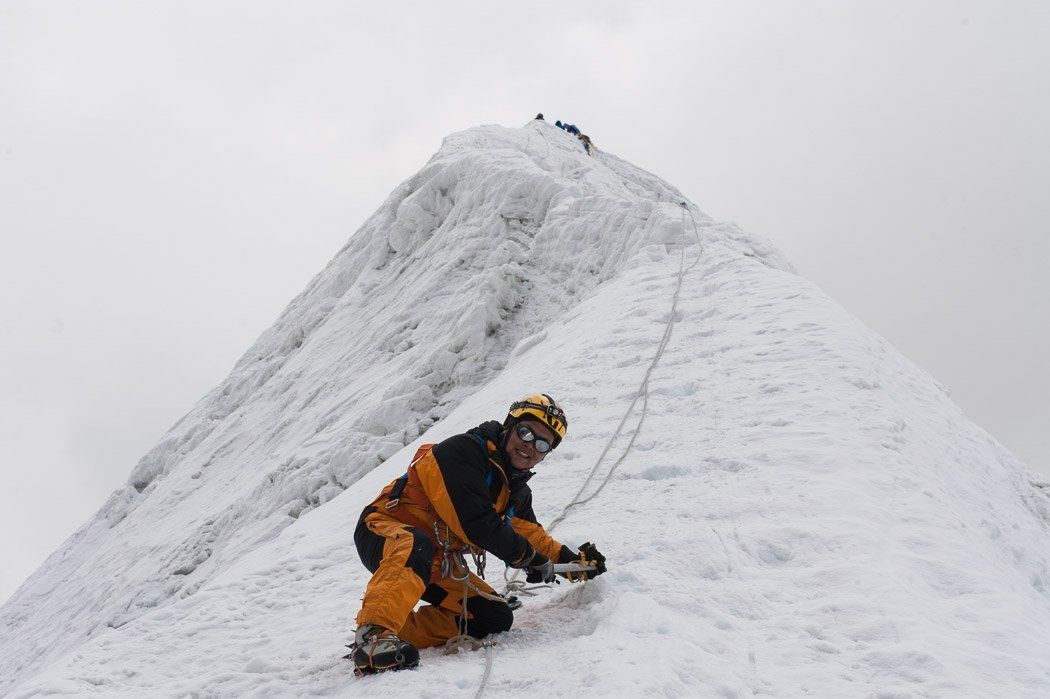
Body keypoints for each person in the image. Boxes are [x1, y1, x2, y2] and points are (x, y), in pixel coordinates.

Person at [348, 394, 607, 675]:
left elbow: (527, 533)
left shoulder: (516, 491)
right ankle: (374, 635)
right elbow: (476, 523)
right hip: (385, 531)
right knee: (416, 543)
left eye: (542, 444)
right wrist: (528, 558)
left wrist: (572, 563)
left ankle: (395, 633)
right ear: (509, 427)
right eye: (525, 432)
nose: (530, 446)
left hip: (435, 558)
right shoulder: (463, 452)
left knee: (492, 616)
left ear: (545, 455)